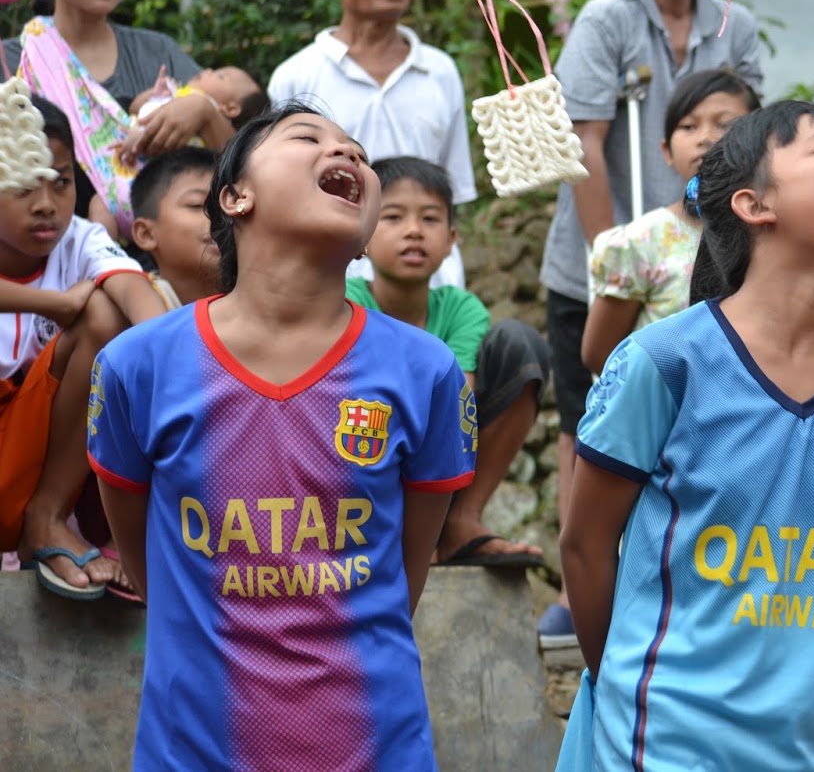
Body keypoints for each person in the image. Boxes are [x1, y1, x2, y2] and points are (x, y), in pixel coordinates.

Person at [87, 103, 474, 770]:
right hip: (195, 750)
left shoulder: (426, 371)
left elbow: (403, 578)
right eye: (308, 139)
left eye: (355, 148)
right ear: (234, 197)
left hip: (374, 747)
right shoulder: (137, 366)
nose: (346, 153)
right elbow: (143, 555)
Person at [557, 101, 814, 771]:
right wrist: (625, 689)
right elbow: (585, 548)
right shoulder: (664, 363)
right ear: (756, 205)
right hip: (663, 751)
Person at [538, 0, 763, 646]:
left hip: (715, 253)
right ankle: (581, 590)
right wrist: (617, 258)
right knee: (588, 416)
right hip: (604, 259)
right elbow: (585, 143)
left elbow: (754, 143)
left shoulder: (736, 23)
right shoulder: (606, 20)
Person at [347, 155, 551, 569]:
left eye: (429, 218)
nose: (413, 232)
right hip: (363, 455)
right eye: (393, 217)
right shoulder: (344, 300)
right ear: (363, 233)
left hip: (445, 453)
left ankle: (460, 522)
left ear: (452, 238)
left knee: (519, 345)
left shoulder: (462, 309)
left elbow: (458, 403)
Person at [0, 97, 165, 599]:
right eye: (24, 185)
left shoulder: (80, 240)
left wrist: (194, 366)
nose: (46, 203)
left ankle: (48, 519)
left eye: (62, 180)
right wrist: (50, 303)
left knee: (111, 319)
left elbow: (141, 305)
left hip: (40, 452)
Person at [267, 0, 476, 288]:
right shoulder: (296, 77)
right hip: (329, 287)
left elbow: (452, 191)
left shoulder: (440, 72)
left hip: (428, 290)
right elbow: (280, 195)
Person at [6, 0, 237, 223]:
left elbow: (239, 171)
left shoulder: (158, 53)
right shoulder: (13, 61)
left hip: (169, 258)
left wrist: (205, 113)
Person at [579, 68, 759, 375]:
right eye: (688, 126)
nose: (705, 138)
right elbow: (600, 355)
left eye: (724, 124)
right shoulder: (640, 242)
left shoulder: (777, 232)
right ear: (667, 151)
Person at [128, 146, 220, 310]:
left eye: (228, 204)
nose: (222, 216)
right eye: (196, 204)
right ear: (146, 234)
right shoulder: (131, 312)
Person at [131, 65, 268, 135]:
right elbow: (133, 109)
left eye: (220, 76)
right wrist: (154, 95)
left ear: (229, 109)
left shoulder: (205, 121)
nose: (208, 70)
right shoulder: (176, 93)